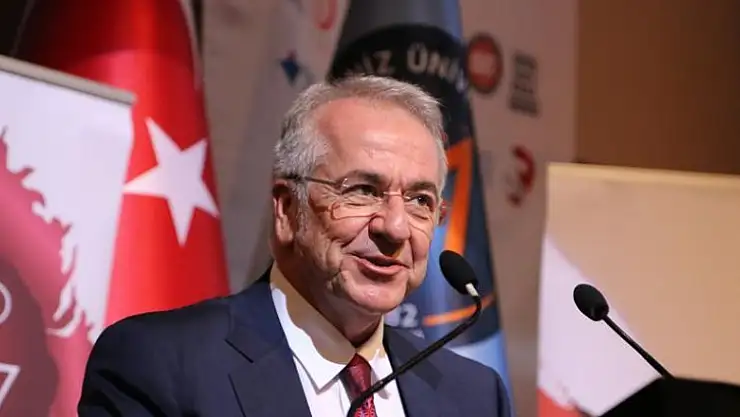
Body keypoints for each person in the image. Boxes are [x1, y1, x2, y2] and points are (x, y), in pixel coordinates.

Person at [77, 75, 511, 417]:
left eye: (420, 201)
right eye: (362, 191)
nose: (396, 228)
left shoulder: (475, 396)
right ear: (287, 209)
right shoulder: (159, 364)